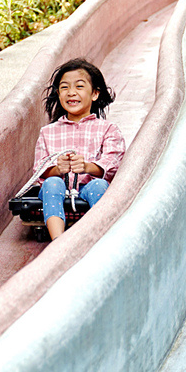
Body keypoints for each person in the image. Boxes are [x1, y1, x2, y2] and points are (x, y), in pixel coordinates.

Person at [32, 59, 125, 240]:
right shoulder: (47, 132)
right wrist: (57, 170)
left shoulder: (108, 129)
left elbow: (113, 164)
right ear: (58, 94)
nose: (71, 93)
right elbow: (39, 170)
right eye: (64, 87)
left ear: (95, 94)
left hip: (87, 188)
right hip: (57, 190)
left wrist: (87, 167)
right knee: (52, 183)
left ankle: (100, 237)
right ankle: (58, 241)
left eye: (79, 86)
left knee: (99, 185)